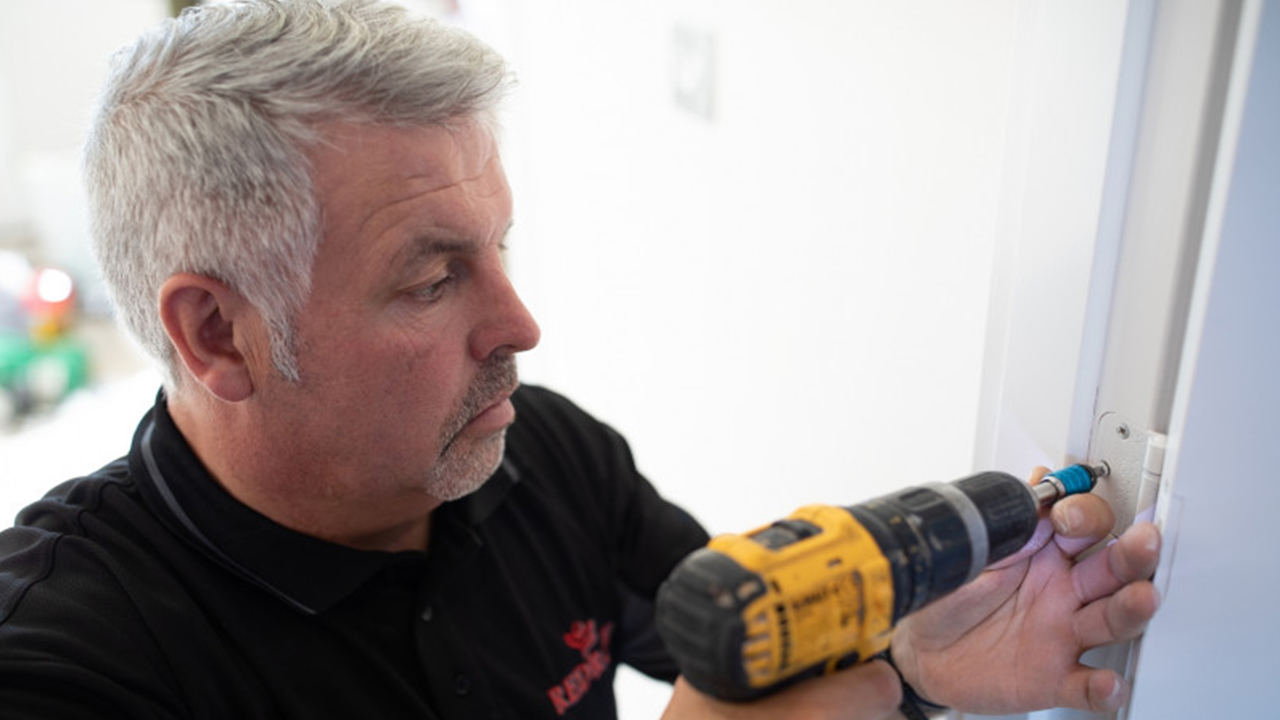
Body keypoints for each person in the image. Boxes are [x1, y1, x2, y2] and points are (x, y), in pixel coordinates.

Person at [0, 1, 1161, 718]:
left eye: (498, 248)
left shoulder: (539, 456)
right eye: (429, 276)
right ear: (218, 335)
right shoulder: (67, 667)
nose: (520, 324)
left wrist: (913, 665)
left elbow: (739, 650)